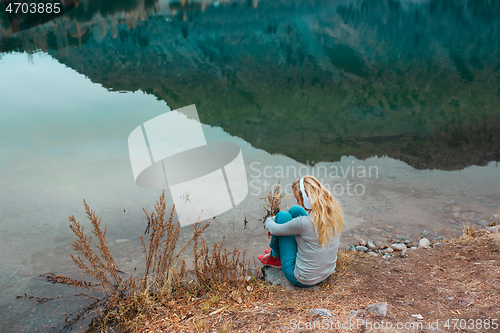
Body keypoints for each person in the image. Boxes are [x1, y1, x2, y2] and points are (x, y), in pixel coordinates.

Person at [258, 175, 344, 287]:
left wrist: (270, 220)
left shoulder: (304, 223)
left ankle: (275, 256)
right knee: (295, 210)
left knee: (283, 216)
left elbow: (274, 229)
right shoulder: (333, 215)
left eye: (298, 199)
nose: (298, 202)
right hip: (326, 272)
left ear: (307, 199)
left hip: (301, 278)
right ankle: (276, 253)